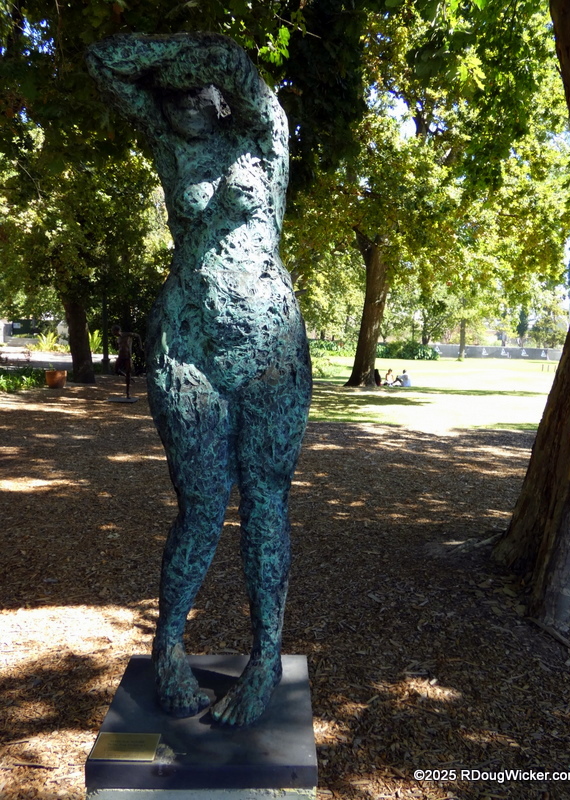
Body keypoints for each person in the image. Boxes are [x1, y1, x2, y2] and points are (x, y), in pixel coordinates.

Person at [87, 33, 311, 727]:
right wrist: (177, 55)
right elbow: (104, 60)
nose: (183, 99)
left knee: (266, 501)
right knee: (202, 505)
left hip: (271, 350)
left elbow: (236, 65)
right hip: (188, 347)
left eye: (197, 89)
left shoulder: (264, 142)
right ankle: (169, 646)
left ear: (223, 100)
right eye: (172, 93)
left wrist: (202, 59)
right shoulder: (167, 140)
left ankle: (265, 658)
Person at [112, 325, 143, 398]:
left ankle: (127, 393)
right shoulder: (118, 339)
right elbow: (119, 347)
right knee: (116, 370)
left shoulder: (127, 335)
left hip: (128, 356)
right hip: (120, 356)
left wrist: (140, 347)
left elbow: (138, 336)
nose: (113, 334)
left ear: (117, 331)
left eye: (114, 332)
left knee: (128, 372)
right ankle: (126, 376)